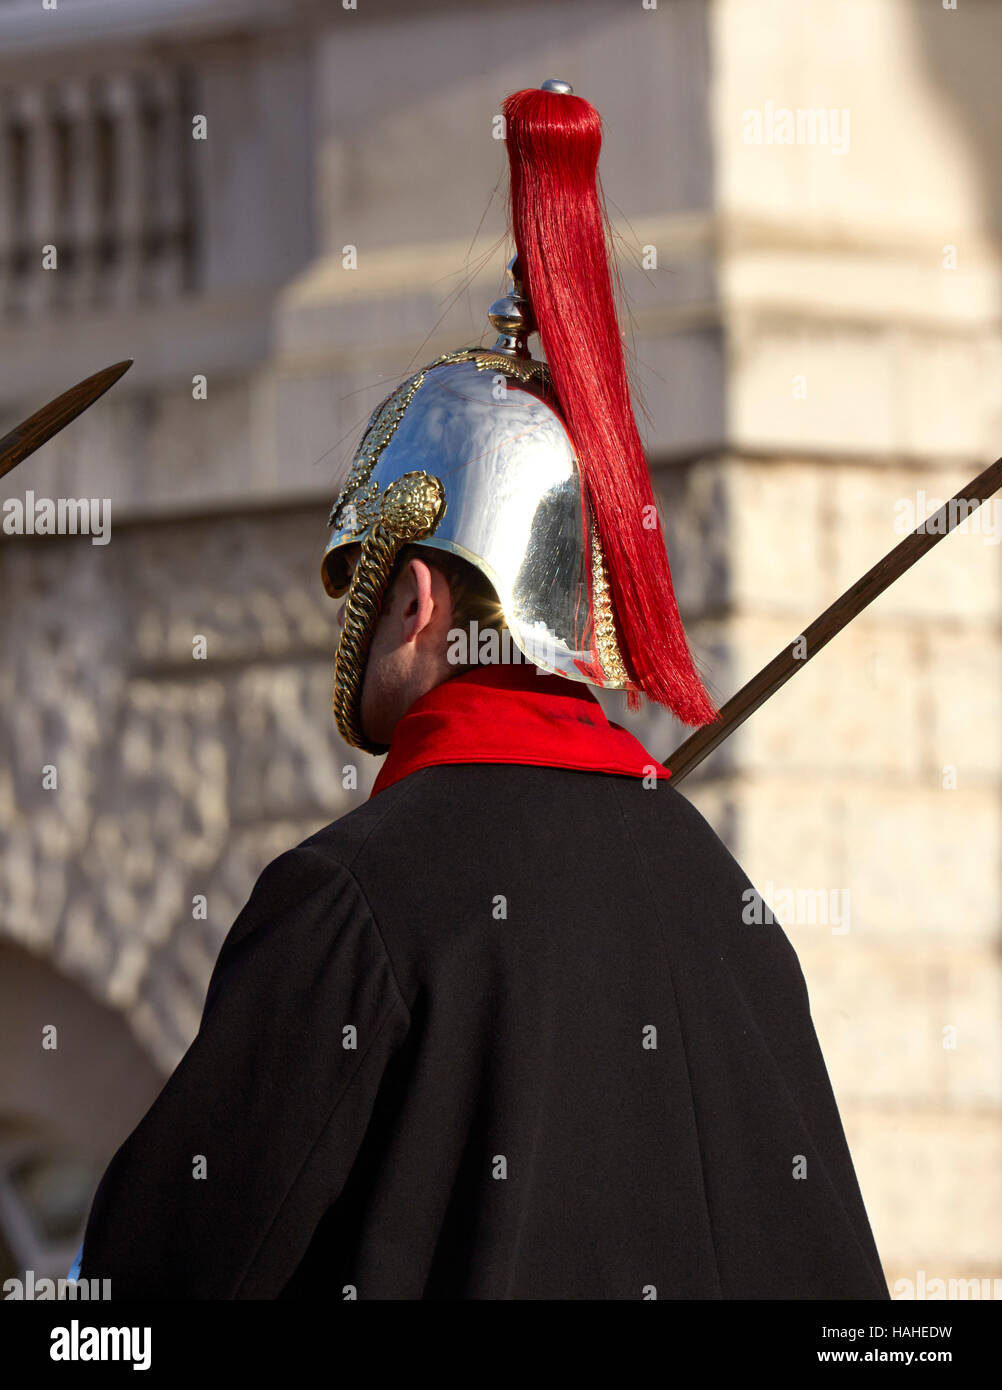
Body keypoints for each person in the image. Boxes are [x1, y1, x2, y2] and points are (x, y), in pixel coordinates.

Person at [77, 82, 888, 1300]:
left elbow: (134, 1304)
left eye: (359, 577)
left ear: (415, 599)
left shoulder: (352, 902)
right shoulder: (728, 911)